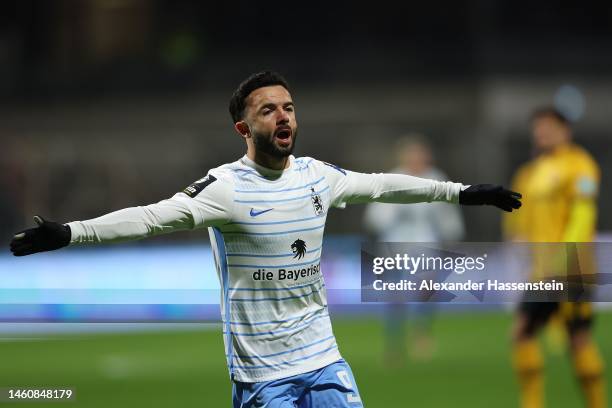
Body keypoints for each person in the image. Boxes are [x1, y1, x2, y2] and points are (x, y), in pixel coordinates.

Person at [10, 71, 521, 408]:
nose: (284, 116)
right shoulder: (225, 188)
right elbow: (150, 218)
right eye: (269, 110)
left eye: (290, 107)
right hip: (262, 376)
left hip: (324, 359)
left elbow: (384, 184)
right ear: (243, 127)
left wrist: (462, 193)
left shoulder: (319, 177)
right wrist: (70, 232)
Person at [504, 107, 606, 408]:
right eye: (537, 128)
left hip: (571, 268)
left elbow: (583, 213)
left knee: (574, 338)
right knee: (527, 333)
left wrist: (564, 257)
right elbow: (519, 219)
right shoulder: (530, 172)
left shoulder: (580, 165)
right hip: (542, 271)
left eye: (547, 127)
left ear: (565, 130)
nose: (541, 133)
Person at [363, 135, 465, 364]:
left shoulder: (436, 178)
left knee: (427, 289)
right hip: (395, 245)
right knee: (395, 295)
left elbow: (448, 212)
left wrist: (452, 233)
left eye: (421, 154)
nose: (417, 159)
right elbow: (375, 216)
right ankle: (394, 343)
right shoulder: (391, 178)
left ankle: (421, 333)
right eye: (412, 155)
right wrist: (393, 210)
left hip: (425, 244)